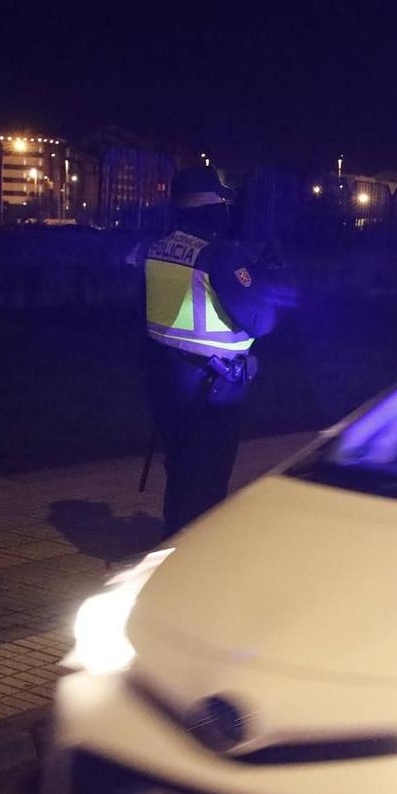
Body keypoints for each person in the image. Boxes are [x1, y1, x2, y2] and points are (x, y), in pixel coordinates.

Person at [141, 164, 291, 537]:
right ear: (214, 204)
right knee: (206, 479)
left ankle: (173, 539)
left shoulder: (158, 247)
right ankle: (191, 555)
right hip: (212, 388)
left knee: (180, 469)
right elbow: (260, 321)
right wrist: (264, 279)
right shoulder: (220, 255)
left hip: (166, 376)